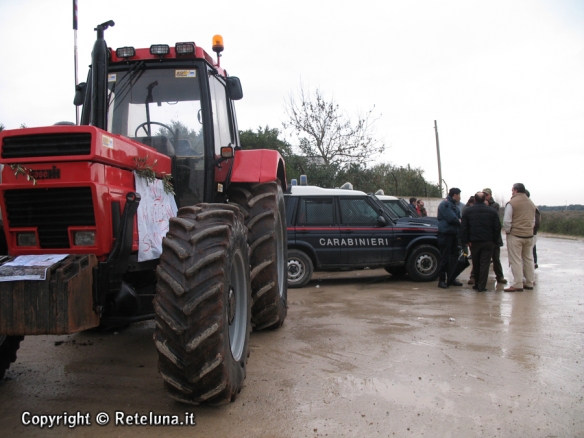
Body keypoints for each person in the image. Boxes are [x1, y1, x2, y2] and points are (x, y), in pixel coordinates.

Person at [461, 192, 501, 292]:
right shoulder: (492, 211)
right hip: (488, 241)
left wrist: (466, 240)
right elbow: (497, 227)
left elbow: (464, 227)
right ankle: (481, 286)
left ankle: (477, 283)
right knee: (485, 264)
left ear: (474, 199)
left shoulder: (468, 211)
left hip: (474, 242)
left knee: (476, 262)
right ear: (484, 200)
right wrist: (495, 241)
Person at [503, 183, 536, 292]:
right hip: (529, 234)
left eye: (512, 190)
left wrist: (508, 231)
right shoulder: (531, 203)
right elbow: (534, 220)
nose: (512, 192)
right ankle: (530, 282)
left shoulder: (512, 203)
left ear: (516, 190)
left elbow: (507, 221)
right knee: (528, 258)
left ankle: (517, 284)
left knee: (516, 260)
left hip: (516, 235)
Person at [436, 188, 463, 288]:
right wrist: (460, 223)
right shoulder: (446, 204)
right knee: (445, 257)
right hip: (446, 234)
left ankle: (451, 278)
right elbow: (452, 218)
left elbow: (458, 217)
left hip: (453, 233)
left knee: (454, 257)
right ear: (455, 195)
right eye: (459, 195)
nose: (460, 197)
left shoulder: (453, 205)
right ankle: (442, 280)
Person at [483, 188, 507, 284]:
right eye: (484, 195)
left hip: (494, 238)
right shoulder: (480, 204)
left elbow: (495, 218)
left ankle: (500, 277)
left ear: (490, 195)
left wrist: (486, 207)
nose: (486, 197)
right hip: (484, 236)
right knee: (482, 259)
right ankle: (475, 277)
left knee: (496, 258)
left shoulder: (495, 205)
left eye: (487, 195)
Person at [526, 190, 541, 269]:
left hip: (531, 233)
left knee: (530, 251)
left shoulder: (532, 207)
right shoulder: (532, 206)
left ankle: (534, 264)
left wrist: (532, 231)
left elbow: (537, 222)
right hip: (530, 233)